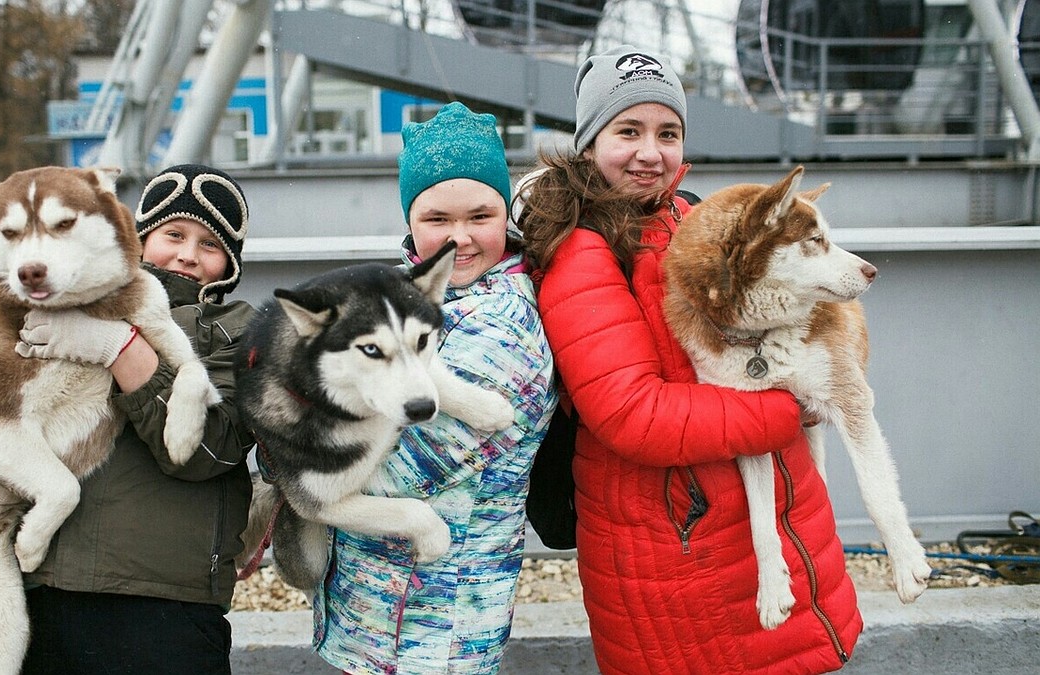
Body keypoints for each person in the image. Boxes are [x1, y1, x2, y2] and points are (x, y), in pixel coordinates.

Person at [516, 46, 863, 674]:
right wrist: (792, 406)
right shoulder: (582, 255)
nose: (651, 152)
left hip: (759, 542)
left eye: (667, 133)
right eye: (628, 131)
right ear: (589, 144)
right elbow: (634, 414)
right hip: (683, 564)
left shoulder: (693, 220)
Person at [0, 164, 257, 674]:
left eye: (210, 244)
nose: (188, 254)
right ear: (141, 238)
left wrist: (117, 348)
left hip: (166, 604)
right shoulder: (59, 293)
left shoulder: (236, 330)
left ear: (230, 263)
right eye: (174, 234)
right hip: (43, 589)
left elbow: (211, 447)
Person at [311, 101, 557, 674]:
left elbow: (394, 470)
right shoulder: (411, 300)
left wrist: (293, 449)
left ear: (506, 216)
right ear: (411, 223)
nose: (459, 239)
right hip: (378, 610)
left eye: (480, 216)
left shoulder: (502, 327)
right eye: (437, 219)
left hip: (434, 624)